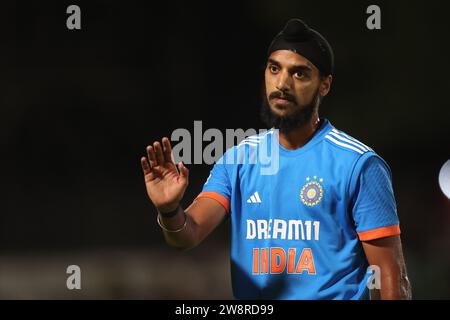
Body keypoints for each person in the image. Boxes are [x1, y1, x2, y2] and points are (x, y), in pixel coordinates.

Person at [140, 18, 412, 299]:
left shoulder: (359, 164)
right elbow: (187, 235)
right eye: (274, 69)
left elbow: (392, 280)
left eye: (300, 74)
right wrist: (170, 209)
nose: (282, 83)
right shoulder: (238, 159)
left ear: (324, 85)